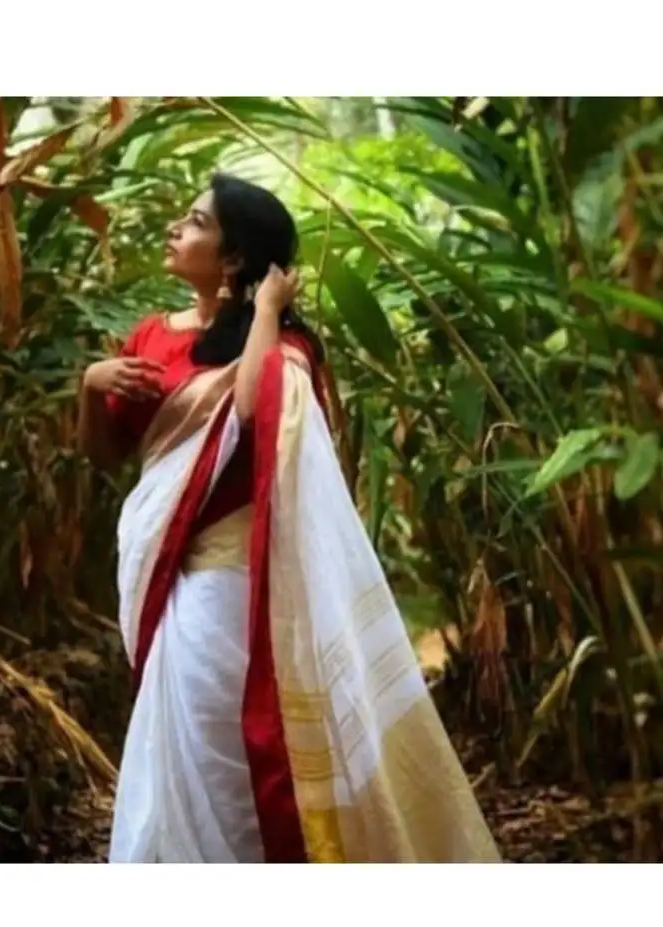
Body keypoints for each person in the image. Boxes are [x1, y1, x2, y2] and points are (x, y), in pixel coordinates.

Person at [78, 173, 501, 863]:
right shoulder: (151, 336)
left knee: (225, 755)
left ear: (234, 257)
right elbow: (104, 455)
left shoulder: (288, 347)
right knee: (181, 753)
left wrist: (268, 309)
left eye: (196, 221)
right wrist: (90, 386)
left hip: (231, 587)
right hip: (169, 578)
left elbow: (251, 408)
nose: (175, 229)